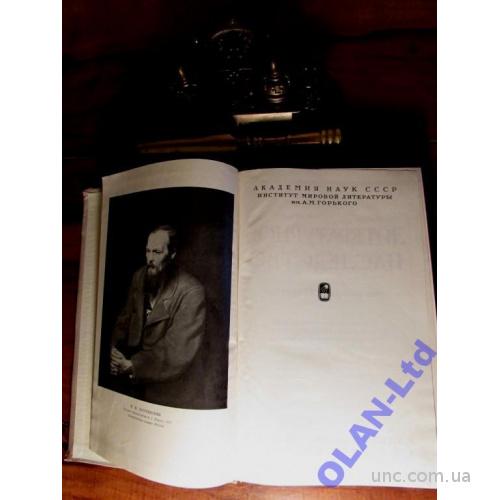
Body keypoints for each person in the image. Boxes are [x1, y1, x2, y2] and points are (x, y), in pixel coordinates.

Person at [110, 225, 208, 408]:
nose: (150, 258)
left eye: (157, 252)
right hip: (133, 382)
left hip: (172, 391)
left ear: (172, 254)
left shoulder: (192, 292)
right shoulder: (140, 277)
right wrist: (113, 351)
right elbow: (124, 320)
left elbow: (176, 351)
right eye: (147, 251)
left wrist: (133, 366)